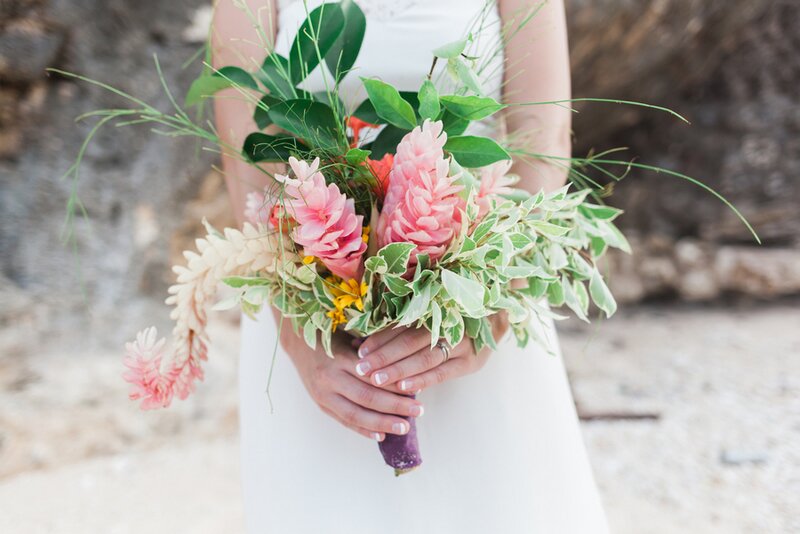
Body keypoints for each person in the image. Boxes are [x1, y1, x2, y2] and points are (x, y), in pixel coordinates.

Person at [212, 1, 609, 532]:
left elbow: (542, 137)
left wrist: (490, 309)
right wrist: (296, 331)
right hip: (311, 310)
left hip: (480, 281)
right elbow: (245, 151)